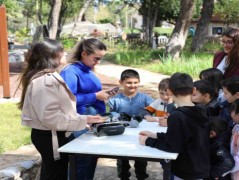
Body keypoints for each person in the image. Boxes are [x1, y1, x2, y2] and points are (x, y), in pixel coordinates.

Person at [18, 39, 104, 180]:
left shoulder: (46, 76)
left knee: (52, 172)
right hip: (51, 136)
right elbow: (51, 118)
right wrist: (82, 120)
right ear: (53, 55)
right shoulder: (46, 80)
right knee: (55, 174)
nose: (65, 53)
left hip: (51, 135)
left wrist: (84, 119)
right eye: (62, 50)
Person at [60, 38, 114, 180]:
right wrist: (96, 96)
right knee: (80, 165)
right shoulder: (70, 71)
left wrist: (102, 95)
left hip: (93, 123)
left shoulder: (89, 71)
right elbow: (67, 100)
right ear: (84, 54)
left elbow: (89, 94)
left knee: (90, 163)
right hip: (80, 124)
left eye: (101, 59)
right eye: (96, 58)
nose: (98, 62)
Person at [139, 72, 210, 180]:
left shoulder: (177, 116)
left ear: (169, 92)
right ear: (194, 90)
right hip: (200, 166)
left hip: (185, 171)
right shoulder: (201, 110)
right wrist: (156, 135)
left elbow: (172, 147)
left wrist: (148, 141)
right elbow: (183, 136)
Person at [108, 69, 153, 180]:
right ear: (121, 82)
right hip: (121, 134)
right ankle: (123, 176)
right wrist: (117, 115)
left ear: (139, 82)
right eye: (129, 82)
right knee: (122, 160)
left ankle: (141, 176)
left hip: (140, 133)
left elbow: (154, 108)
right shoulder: (115, 99)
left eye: (135, 82)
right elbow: (110, 112)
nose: (132, 85)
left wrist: (147, 113)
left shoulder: (145, 97)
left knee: (141, 159)